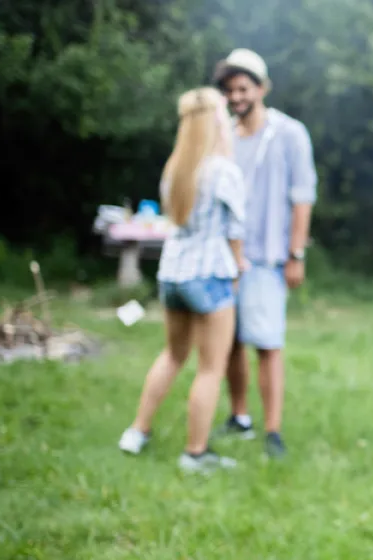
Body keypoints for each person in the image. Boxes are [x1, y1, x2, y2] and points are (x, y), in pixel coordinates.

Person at [118, 87, 248, 473]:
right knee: (211, 367)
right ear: (215, 121)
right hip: (210, 276)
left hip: (172, 275)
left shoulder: (175, 168)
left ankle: (137, 431)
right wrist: (239, 268)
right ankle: (195, 453)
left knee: (173, 355)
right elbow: (235, 229)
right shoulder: (223, 171)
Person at [211, 48, 319, 459]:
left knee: (267, 343)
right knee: (228, 343)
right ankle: (239, 416)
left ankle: (272, 431)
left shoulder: (289, 133)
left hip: (268, 258)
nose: (236, 97)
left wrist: (296, 254)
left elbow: (302, 197)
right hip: (225, 258)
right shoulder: (224, 138)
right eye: (229, 90)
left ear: (261, 88)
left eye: (243, 88)